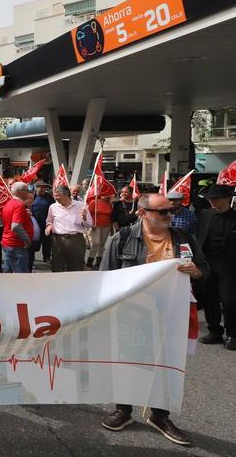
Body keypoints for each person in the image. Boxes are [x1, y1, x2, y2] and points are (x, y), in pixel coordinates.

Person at [100, 193, 205, 446]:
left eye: (172, 210)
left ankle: (160, 416)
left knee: (165, 365)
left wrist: (197, 271)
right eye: (163, 212)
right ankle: (123, 410)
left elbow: (205, 269)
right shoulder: (122, 238)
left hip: (172, 313)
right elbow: (104, 277)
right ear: (143, 213)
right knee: (128, 361)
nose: (170, 215)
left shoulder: (184, 238)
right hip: (133, 312)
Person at [196, 184, 236, 349]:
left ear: (228, 199)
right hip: (207, 263)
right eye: (211, 198)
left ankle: (233, 335)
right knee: (209, 299)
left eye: (216, 198)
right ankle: (215, 331)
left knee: (229, 301)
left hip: (230, 265)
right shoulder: (205, 215)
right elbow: (198, 238)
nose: (212, 201)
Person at [46, 185, 93, 272]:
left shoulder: (81, 206)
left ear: (66, 194)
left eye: (57, 196)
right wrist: (49, 226)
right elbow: (49, 221)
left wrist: (85, 218)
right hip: (58, 240)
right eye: (55, 196)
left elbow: (89, 224)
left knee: (75, 267)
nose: (56, 198)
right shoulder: (53, 207)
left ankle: (74, 285)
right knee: (57, 267)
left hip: (76, 240)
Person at [1, 182, 34, 273]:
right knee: (21, 276)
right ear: (20, 192)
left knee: (9, 273)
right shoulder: (19, 205)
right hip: (16, 245)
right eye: (26, 190)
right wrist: (27, 240)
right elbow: (15, 226)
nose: (28, 192)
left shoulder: (9, 203)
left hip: (9, 243)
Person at [86, 194, 113, 269]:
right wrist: (91, 224)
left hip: (107, 226)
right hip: (96, 226)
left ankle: (98, 262)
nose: (106, 195)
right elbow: (88, 214)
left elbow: (111, 216)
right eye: (104, 194)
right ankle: (89, 262)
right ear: (100, 194)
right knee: (96, 243)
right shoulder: (94, 202)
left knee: (102, 244)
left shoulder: (109, 204)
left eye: (108, 194)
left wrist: (111, 227)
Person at [31, 182, 54, 262]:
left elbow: (53, 209)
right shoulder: (31, 197)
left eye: (44, 187)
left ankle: (46, 257)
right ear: (36, 188)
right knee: (34, 242)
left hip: (46, 223)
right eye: (41, 187)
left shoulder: (49, 198)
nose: (43, 189)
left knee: (47, 242)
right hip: (34, 224)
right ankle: (31, 257)